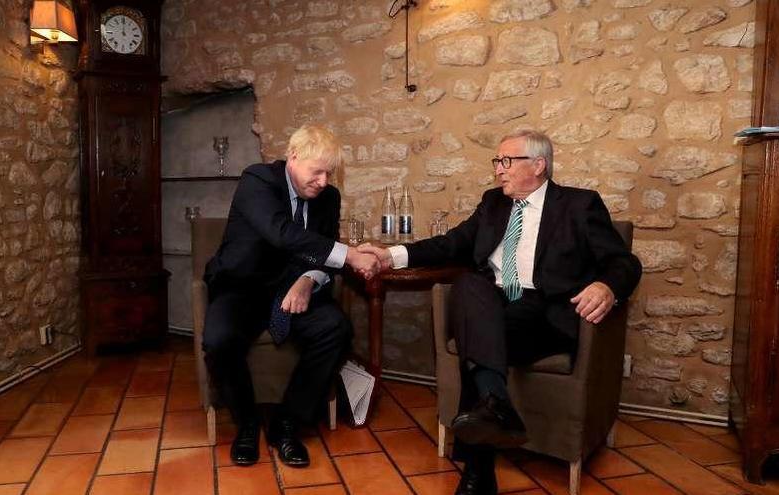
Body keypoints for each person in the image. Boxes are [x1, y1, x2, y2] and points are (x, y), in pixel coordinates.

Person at [359, 130, 642, 495]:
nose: (498, 170)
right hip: (492, 305)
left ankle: (478, 471)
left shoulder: (579, 205)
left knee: (474, 331)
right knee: (469, 286)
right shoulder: (493, 203)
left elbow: (624, 262)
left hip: (544, 313)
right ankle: (496, 407)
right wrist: (390, 256)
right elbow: (452, 244)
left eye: (507, 161)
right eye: (497, 161)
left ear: (539, 166)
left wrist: (607, 286)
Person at [202, 125, 379, 468]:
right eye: (318, 171)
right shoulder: (258, 181)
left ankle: (288, 423)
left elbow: (321, 256)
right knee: (219, 339)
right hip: (243, 285)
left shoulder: (329, 198)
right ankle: (248, 424)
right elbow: (282, 233)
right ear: (294, 157)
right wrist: (351, 255)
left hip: (293, 289)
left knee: (335, 330)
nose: (324, 181)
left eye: (330, 173)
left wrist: (308, 280)